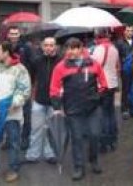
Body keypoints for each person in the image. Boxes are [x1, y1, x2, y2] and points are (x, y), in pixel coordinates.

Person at [50, 38, 108, 181]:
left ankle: (93, 160)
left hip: (92, 108)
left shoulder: (93, 64)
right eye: (68, 48)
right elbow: (54, 88)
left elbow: (103, 83)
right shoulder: (60, 67)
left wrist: (98, 97)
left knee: (95, 135)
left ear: (81, 48)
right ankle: (78, 166)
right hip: (73, 109)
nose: (70, 51)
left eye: (74, 48)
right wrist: (57, 106)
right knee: (77, 138)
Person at [0, 41, 31, 183]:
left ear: (6, 52)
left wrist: (13, 104)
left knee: (14, 142)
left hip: (12, 115)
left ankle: (14, 169)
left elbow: (24, 91)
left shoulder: (20, 69)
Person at [25, 37, 61, 163]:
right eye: (46, 45)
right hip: (39, 100)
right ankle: (33, 155)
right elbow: (31, 78)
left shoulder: (61, 62)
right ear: (42, 46)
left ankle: (49, 154)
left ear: (55, 46)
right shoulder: (36, 61)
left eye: (51, 45)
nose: (49, 48)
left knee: (51, 130)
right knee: (36, 129)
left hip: (54, 102)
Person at [92, 31, 120, 152]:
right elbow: (117, 66)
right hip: (112, 83)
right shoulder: (114, 48)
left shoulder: (99, 48)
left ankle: (104, 141)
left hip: (102, 84)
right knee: (110, 112)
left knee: (102, 113)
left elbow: (94, 65)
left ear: (98, 38)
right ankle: (112, 139)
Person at [6, 26, 34, 150]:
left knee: (26, 114)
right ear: (8, 35)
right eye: (12, 33)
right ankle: (9, 139)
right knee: (9, 112)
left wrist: (30, 82)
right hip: (8, 84)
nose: (14, 36)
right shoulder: (4, 47)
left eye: (16, 33)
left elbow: (32, 64)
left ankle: (24, 139)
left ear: (19, 35)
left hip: (23, 85)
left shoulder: (26, 48)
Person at [115, 26, 133, 119]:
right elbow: (117, 57)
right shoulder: (119, 43)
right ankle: (125, 109)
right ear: (124, 32)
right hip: (125, 68)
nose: (130, 32)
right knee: (125, 89)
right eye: (128, 31)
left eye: (131, 31)